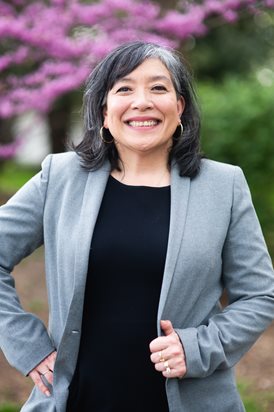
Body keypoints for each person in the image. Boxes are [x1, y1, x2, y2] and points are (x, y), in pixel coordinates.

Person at [0, 41, 274, 412]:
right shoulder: (59, 177)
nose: (142, 101)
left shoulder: (223, 186)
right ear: (104, 110)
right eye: (124, 88)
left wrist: (198, 348)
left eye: (158, 88)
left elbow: (259, 296)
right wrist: (24, 342)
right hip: (78, 400)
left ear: (179, 108)